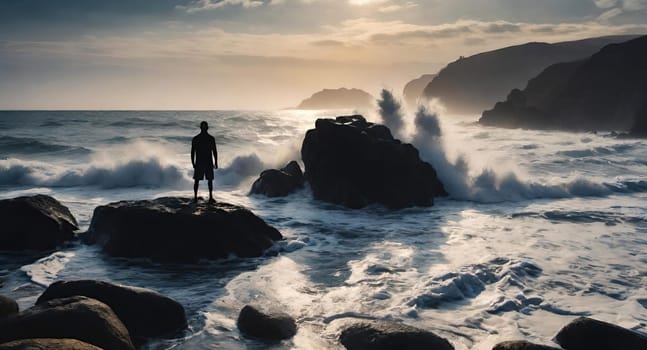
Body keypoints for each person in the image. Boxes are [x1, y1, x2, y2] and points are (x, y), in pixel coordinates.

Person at [191, 121, 218, 203]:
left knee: (198, 180)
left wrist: (193, 163)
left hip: (200, 162)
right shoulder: (210, 138)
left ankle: (196, 197)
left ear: (200, 128)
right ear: (207, 128)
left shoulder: (196, 138)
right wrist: (216, 162)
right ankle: (210, 197)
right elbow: (215, 151)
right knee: (208, 180)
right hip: (207, 162)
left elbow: (192, 152)